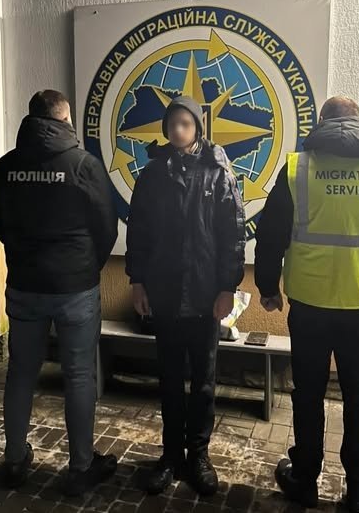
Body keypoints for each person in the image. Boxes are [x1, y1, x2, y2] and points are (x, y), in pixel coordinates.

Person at [254, 96, 359, 513]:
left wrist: (268, 287)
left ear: (323, 123)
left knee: (308, 392)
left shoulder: (298, 168)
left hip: (310, 303)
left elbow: (270, 234)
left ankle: (304, 478)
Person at [0, 90, 119, 496]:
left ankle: (14, 461)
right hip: (74, 287)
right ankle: (80, 467)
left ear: (31, 119)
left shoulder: (5, 167)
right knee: (78, 375)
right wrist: (86, 266)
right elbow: (106, 226)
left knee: (20, 372)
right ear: (64, 119)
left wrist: (23, 257)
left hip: (24, 285)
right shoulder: (82, 165)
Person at [125, 96, 246, 496]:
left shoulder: (218, 173)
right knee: (170, 381)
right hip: (164, 294)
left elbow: (233, 234)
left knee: (204, 384)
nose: (178, 130)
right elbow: (138, 233)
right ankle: (170, 455)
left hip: (206, 295)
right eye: (172, 124)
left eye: (185, 123)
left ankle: (199, 455)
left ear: (197, 128)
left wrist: (228, 288)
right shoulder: (152, 175)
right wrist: (138, 282)